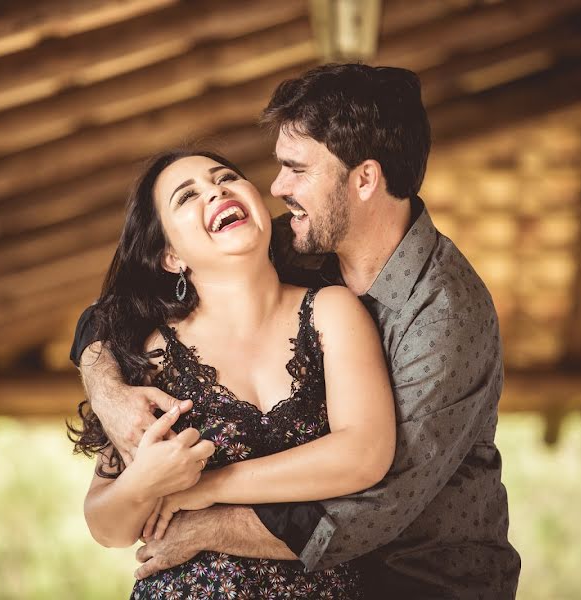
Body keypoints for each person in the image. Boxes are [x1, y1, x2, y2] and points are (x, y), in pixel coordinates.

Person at [72, 64, 521, 598]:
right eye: (188, 196)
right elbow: (112, 312)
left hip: (427, 580)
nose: (276, 186)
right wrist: (109, 391)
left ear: (364, 180)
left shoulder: (443, 314)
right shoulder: (286, 242)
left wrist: (204, 505)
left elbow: (373, 496)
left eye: (296, 169)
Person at [68, 149, 397, 599]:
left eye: (226, 178)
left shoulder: (333, 312)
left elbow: (365, 453)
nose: (216, 191)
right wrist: (145, 480)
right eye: (187, 197)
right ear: (170, 257)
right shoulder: (149, 357)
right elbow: (106, 526)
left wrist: (205, 488)